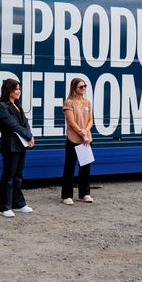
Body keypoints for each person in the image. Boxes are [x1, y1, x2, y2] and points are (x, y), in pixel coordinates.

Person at [0, 78, 35, 218]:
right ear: (9, 91)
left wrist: (30, 135)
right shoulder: (2, 106)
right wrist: (28, 137)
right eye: (16, 89)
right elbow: (13, 126)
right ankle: (4, 207)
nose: (18, 91)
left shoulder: (17, 105)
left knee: (18, 175)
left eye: (19, 88)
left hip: (20, 145)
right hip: (10, 146)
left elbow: (25, 123)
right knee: (8, 176)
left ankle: (18, 204)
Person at [61, 77, 94, 205]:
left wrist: (86, 131)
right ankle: (67, 195)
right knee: (69, 167)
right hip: (73, 139)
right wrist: (81, 132)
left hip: (86, 139)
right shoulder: (69, 102)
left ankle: (84, 194)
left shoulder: (87, 102)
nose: (84, 88)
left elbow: (91, 120)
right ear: (74, 88)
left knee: (85, 167)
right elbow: (71, 122)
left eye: (85, 86)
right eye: (81, 86)